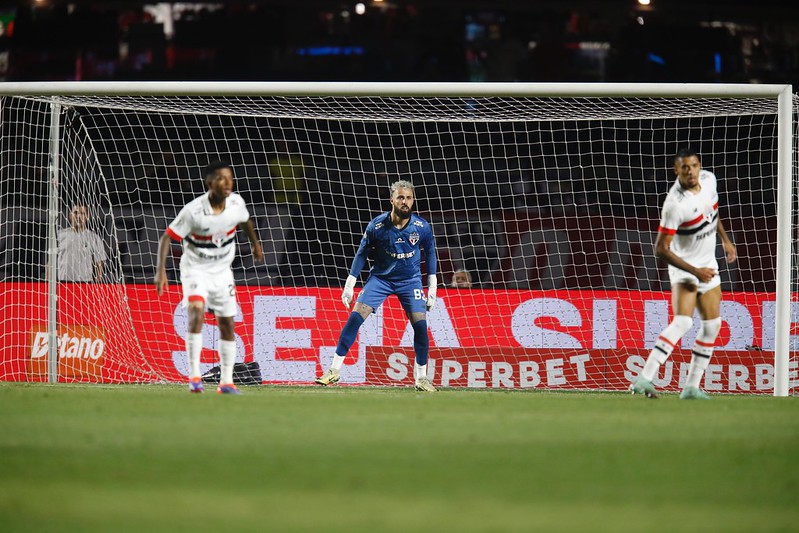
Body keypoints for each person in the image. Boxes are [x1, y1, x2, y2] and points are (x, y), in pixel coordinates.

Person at [630, 148, 737, 400]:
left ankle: (691, 387)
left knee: (712, 326)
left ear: (700, 166)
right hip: (685, 267)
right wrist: (695, 271)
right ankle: (644, 378)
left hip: (707, 264)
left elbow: (712, 212)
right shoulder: (674, 205)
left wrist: (725, 239)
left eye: (694, 165)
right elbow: (660, 249)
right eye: (685, 167)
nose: (691, 171)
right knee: (684, 321)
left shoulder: (709, 180)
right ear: (676, 170)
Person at [315, 180, 439, 392]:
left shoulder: (422, 227)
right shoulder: (377, 226)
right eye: (400, 197)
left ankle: (421, 378)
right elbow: (362, 253)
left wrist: (433, 284)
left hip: (410, 281)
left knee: (420, 327)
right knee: (355, 318)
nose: (405, 202)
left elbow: (430, 252)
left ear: (413, 200)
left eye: (408, 198)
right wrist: (350, 284)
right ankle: (334, 370)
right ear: (392, 200)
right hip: (380, 279)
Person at [155, 161, 264, 395]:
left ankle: (226, 382)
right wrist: (161, 270)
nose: (227, 183)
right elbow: (167, 237)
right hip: (195, 269)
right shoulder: (193, 211)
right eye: (222, 179)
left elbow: (245, 221)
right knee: (196, 312)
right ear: (209, 183)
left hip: (222, 271)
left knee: (227, 323)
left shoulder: (236, 203)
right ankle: (194, 377)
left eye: (230, 179)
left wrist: (255, 244)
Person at [57, 204, 107, 283]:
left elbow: (99, 262)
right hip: (62, 282)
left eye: (82, 213)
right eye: (76, 213)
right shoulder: (59, 235)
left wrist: (98, 281)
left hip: (85, 284)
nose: (79, 216)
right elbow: (50, 261)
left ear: (87, 216)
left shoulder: (94, 237)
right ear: (70, 215)